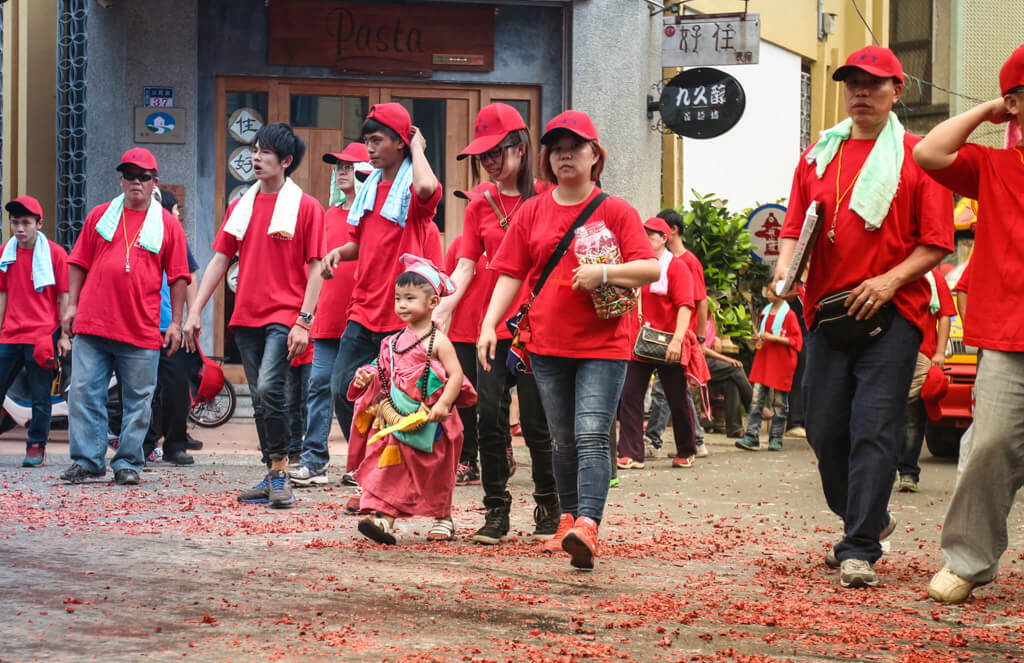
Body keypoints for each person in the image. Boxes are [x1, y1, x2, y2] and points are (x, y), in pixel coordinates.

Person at [773, 46, 953, 589]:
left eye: (874, 84)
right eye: (852, 82)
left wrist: (889, 280)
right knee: (825, 429)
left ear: (897, 91)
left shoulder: (919, 156)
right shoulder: (817, 157)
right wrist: (785, 275)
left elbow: (936, 243)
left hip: (892, 313)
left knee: (873, 428)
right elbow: (791, 231)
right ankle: (869, 517)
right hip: (826, 314)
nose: (861, 92)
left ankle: (859, 547)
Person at [480, 110, 659, 569]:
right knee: (561, 439)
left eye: (575, 147)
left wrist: (603, 272)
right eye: (556, 148)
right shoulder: (533, 211)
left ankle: (589, 525)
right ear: (546, 157)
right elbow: (510, 272)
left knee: (591, 433)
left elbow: (649, 268)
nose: (565, 155)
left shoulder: (615, 210)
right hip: (547, 344)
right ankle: (566, 521)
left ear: (594, 155)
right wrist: (488, 324)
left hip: (604, 344)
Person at [912, 43, 1024, 603]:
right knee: (990, 444)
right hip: (1010, 334)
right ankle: (969, 559)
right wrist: (985, 111)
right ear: (1016, 104)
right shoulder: (996, 166)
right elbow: (929, 155)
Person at [434, 103, 559, 544]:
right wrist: (440, 313)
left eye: (496, 152)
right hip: (485, 330)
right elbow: (465, 267)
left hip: (536, 328)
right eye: (482, 155)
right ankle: (496, 511)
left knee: (540, 424)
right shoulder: (480, 203)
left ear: (521, 148)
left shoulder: (548, 197)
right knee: (488, 419)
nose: (488, 162)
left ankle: (548, 504)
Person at [184, 123, 325, 508]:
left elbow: (316, 269)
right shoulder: (241, 205)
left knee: (268, 388)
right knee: (263, 402)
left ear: (286, 161)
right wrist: (195, 310)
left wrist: (304, 321)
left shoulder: (307, 207)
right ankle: (274, 473)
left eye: (265, 152)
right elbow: (219, 259)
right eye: (254, 149)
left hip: (285, 315)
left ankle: (280, 472)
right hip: (246, 318)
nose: (255, 157)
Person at [320, 103, 443, 468]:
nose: (369, 149)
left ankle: (384, 476)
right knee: (343, 388)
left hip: (402, 314)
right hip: (362, 310)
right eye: (367, 141)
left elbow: (425, 185)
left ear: (400, 143)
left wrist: (418, 146)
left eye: (377, 141)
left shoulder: (412, 189)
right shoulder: (370, 186)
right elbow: (361, 242)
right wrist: (338, 253)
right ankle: (366, 469)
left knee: (400, 401)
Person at [61, 148, 191, 486]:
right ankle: (88, 461)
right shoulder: (100, 215)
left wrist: (176, 322)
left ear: (154, 183)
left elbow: (179, 276)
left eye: (143, 176)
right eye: (129, 175)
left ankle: (128, 462)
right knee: (84, 393)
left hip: (141, 328)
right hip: (93, 322)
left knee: (138, 400)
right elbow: (79, 262)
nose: (136, 181)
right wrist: (71, 305)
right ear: (121, 179)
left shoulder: (167, 225)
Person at [350, 254, 475, 545]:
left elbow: (456, 376)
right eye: (398, 298)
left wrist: (443, 404)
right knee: (392, 467)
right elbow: (382, 369)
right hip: (400, 419)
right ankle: (384, 519)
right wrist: (366, 376)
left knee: (436, 471)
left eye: (410, 298)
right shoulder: (391, 342)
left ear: (433, 303)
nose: (402, 305)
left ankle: (443, 517)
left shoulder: (439, 341)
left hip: (433, 421)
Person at [288, 142, 371, 488]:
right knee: (319, 386)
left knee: (358, 391)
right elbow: (313, 268)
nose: (342, 171)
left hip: (364, 319)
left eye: (350, 166)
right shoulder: (325, 216)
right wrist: (306, 316)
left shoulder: (372, 218)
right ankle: (314, 461)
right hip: (327, 318)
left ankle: (361, 462)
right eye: (338, 166)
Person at [617, 217, 696, 469]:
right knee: (629, 397)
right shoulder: (634, 265)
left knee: (677, 398)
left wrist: (678, 341)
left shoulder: (676, 267)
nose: (646, 239)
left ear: (665, 238)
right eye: (644, 235)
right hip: (638, 343)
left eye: (652, 235)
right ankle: (631, 453)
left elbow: (685, 306)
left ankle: (686, 448)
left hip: (667, 343)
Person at [0, 196, 71, 467]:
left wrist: (64, 336)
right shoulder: (6, 252)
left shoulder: (55, 254)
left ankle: (36, 446)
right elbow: (3, 293)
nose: (19, 229)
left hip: (43, 334)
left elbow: (63, 297)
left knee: (41, 396)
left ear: (39, 224)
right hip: (10, 334)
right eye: (15, 222)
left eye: (26, 223)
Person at [142, 187, 201, 466]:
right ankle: (142, 445)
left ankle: (175, 445)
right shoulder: (132, 234)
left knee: (177, 385)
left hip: (169, 326)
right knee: (140, 389)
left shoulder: (174, 235)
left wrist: (192, 316)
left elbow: (189, 274)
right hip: (139, 325)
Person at [644, 209, 711, 457]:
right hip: (661, 337)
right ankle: (697, 441)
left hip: (679, 337)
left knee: (669, 391)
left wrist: (699, 339)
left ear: (669, 232)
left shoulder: (687, 262)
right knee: (674, 391)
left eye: (654, 231)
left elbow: (700, 301)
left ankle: (656, 441)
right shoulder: (658, 261)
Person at [894, 267, 954, 492]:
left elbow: (945, 315)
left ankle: (908, 472)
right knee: (884, 414)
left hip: (922, 355)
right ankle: (884, 468)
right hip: (888, 357)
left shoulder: (934, 277)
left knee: (912, 418)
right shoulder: (890, 270)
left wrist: (939, 352)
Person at [443, 232, 488, 486]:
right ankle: (468, 458)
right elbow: (447, 286)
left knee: (495, 398)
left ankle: (502, 448)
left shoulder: (506, 241)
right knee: (464, 398)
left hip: (498, 330)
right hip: (462, 332)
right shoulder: (459, 244)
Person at [734, 286, 803, 452]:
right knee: (756, 399)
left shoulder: (789, 315)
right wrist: (759, 337)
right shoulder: (765, 312)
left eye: (771, 291)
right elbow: (765, 335)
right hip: (764, 360)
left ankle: (776, 438)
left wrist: (773, 337)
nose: (767, 294)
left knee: (779, 402)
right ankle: (751, 436)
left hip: (781, 362)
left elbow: (796, 341)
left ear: (781, 294)